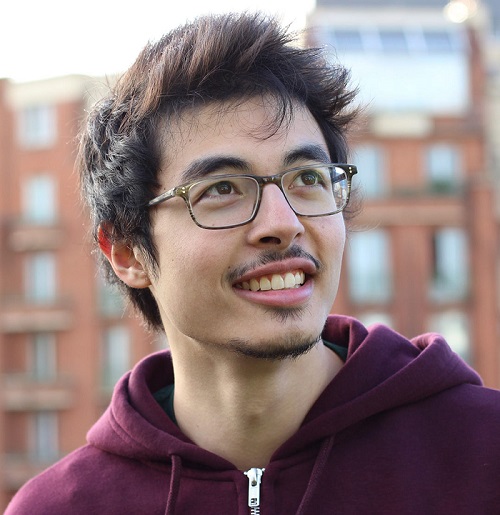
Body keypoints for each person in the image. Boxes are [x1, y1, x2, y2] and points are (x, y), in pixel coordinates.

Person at [6, 12, 500, 515]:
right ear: (127, 252)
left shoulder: (484, 455)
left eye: (307, 178)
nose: (284, 223)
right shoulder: (58, 507)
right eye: (222, 189)